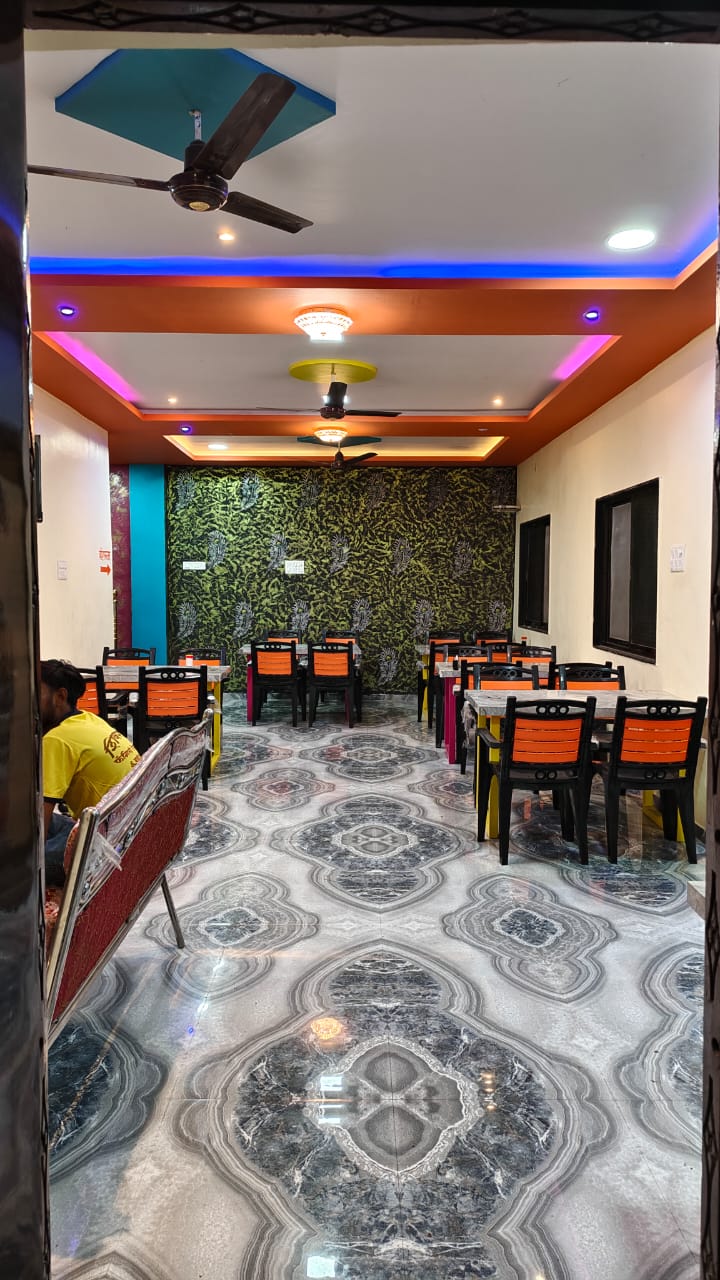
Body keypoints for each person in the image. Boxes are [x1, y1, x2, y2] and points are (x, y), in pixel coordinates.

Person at [40, 659, 140, 887]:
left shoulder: (56, 740)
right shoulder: (88, 718)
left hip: (105, 847)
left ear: (60, 696)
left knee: (13, 863)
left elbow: (42, 817)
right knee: (23, 822)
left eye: (37, 692)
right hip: (128, 827)